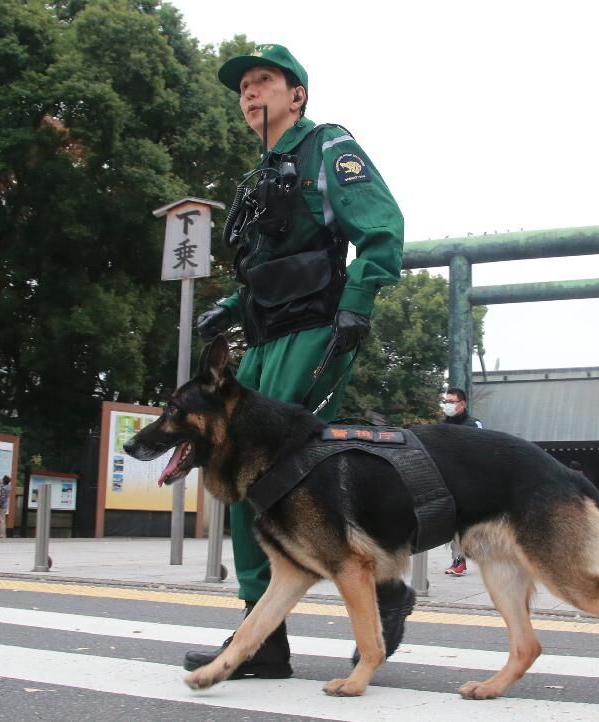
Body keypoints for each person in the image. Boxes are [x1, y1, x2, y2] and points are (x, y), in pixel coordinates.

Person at [186, 44, 405, 681]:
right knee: (236, 472)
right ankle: (263, 637)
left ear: (297, 95)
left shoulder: (326, 148)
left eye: (264, 81)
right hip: (262, 340)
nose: (250, 93)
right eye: (243, 87)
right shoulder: (259, 175)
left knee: (290, 472)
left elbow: (382, 228)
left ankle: (385, 586)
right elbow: (269, 267)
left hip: (313, 331)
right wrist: (229, 307)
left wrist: (357, 303)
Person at [440, 387, 482, 576]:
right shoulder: (442, 427)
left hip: (471, 481)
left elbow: (481, 451)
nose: (447, 405)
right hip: (450, 481)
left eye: (451, 402)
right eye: (446, 401)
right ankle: (458, 560)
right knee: (455, 522)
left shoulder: (474, 425)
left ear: (462, 404)